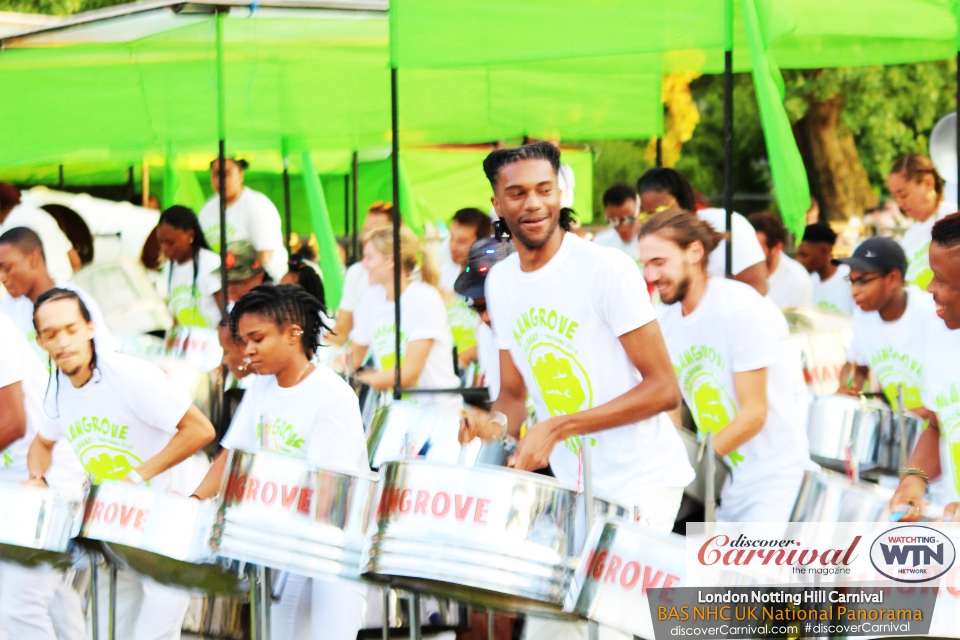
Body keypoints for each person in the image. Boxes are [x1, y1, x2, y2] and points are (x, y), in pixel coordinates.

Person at [461, 143, 693, 640]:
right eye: (517, 193)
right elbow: (514, 395)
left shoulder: (605, 269)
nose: (534, 203)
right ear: (497, 203)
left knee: (605, 627)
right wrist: (492, 427)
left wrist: (559, 426)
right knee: (551, 632)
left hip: (641, 481)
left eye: (545, 189)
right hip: (576, 486)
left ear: (559, 191)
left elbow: (663, 389)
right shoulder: (501, 282)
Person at [25, 288, 216, 640]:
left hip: (167, 527)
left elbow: (200, 429)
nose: (63, 341)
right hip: (119, 529)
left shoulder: (129, 375)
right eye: (51, 334)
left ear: (90, 328)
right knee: (107, 632)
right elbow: (42, 442)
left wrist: (137, 477)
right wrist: (37, 478)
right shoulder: (58, 386)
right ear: (40, 341)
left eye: (71, 329)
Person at [191, 284, 369, 639]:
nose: (248, 351)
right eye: (243, 341)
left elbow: (327, 489)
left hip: (334, 550)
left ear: (293, 333)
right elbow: (231, 456)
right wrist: (193, 506)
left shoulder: (332, 395)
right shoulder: (261, 387)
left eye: (257, 338)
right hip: (285, 543)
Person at [638, 209, 810, 522]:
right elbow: (671, 406)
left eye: (659, 262)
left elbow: (754, 414)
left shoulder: (740, 307)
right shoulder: (663, 319)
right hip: (727, 482)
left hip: (774, 481)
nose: (650, 276)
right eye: (645, 264)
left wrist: (694, 463)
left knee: (756, 572)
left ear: (694, 252)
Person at [0, 312, 86, 640]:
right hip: (13, 476)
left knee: (20, 607)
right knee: (45, 602)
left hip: (45, 472)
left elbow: (12, 423)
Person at [350, 225, 462, 454]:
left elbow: (409, 375)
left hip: (437, 421)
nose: (364, 264)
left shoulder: (424, 298)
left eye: (369, 257)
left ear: (391, 261)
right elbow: (352, 359)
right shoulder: (371, 299)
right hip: (400, 418)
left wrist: (357, 381)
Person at [888, 214, 960, 522]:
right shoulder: (939, 335)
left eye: (942, 279)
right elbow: (938, 424)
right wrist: (915, 477)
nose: (930, 287)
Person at [834, 237, 935, 416]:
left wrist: (915, 416)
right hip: (902, 431)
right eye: (851, 281)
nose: (853, 291)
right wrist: (849, 384)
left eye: (863, 281)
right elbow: (856, 365)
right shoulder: (864, 315)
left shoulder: (931, 314)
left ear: (892, 279)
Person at [637, 168, 769, 295]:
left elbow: (757, 286)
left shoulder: (725, 223)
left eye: (661, 209)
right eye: (648, 214)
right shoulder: (656, 243)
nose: (657, 218)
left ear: (681, 199)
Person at [0, 227, 114, 364]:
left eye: (7, 268)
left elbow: (108, 357)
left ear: (33, 259)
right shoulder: (6, 310)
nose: (2, 277)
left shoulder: (74, 301)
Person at [198, 157, 288, 281]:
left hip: (263, 285)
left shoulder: (257, 204)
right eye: (216, 174)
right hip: (225, 286)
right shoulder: (207, 210)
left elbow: (265, 256)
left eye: (226, 174)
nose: (220, 180)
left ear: (240, 175)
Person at [454, 237, 517, 402]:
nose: (485, 317)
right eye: (478, 307)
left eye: (492, 305)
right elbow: (505, 401)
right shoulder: (486, 333)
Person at [327, 202, 393, 347]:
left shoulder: (415, 282)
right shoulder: (356, 273)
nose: (364, 237)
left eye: (373, 232)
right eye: (364, 231)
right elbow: (341, 330)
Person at [888, 153, 958, 290]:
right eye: (896, 197)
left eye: (903, 195)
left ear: (928, 184)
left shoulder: (953, 217)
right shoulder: (909, 236)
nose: (900, 203)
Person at [440, 207, 494, 371]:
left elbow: (493, 336)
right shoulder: (444, 275)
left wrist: (458, 361)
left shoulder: (492, 280)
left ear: (480, 243)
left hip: (479, 376)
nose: (453, 246)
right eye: (452, 238)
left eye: (462, 241)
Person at [157, 205, 222, 328]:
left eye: (170, 242)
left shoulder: (210, 263)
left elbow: (227, 314)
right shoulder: (168, 268)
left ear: (190, 235)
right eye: (161, 241)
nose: (164, 249)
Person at [0, 182, 78, 282]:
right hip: (66, 285)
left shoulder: (12, 223)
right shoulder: (40, 214)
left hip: (42, 290)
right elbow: (75, 261)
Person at [747, 211, 813, 309]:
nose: (750, 254)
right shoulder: (737, 270)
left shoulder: (797, 281)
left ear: (777, 247)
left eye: (757, 248)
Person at [794, 223, 854, 315]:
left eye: (804, 255)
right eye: (797, 255)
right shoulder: (809, 282)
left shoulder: (849, 279)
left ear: (823, 251)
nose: (798, 261)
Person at [593, 184, 641, 261]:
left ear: (639, 211)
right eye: (614, 221)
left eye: (629, 219)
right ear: (606, 215)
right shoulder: (600, 245)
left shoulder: (652, 242)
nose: (623, 229)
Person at [224, 241, 270, 308]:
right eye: (226, 283)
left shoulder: (275, 309)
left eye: (238, 283)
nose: (231, 291)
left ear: (259, 276)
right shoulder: (230, 311)